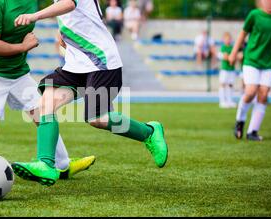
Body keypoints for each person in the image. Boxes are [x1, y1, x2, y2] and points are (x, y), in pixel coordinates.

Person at [12, 0, 168, 186]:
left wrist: (35, 15)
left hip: (101, 61)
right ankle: (46, 164)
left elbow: (69, 3)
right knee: (46, 103)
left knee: (97, 119)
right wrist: (63, 31)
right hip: (75, 63)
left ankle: (149, 132)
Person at [0, 0, 95, 183]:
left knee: (44, 115)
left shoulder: (32, 2)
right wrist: (23, 47)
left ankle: (63, 166)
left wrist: (62, 33)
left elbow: (60, 8)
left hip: (19, 73)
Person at [229, 0, 271, 141]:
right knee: (250, 92)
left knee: (263, 95)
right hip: (252, 60)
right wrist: (233, 52)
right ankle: (240, 121)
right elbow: (242, 35)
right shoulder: (254, 15)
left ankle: (253, 132)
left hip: (269, 63)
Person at [218, 32, 237, 109]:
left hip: (231, 69)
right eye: (226, 39)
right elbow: (226, 57)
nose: (228, 40)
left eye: (229, 39)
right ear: (223, 40)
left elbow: (235, 57)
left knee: (230, 84)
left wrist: (233, 58)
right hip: (225, 69)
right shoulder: (223, 47)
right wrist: (231, 58)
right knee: (223, 84)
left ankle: (230, 100)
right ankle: (222, 101)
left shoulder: (232, 47)